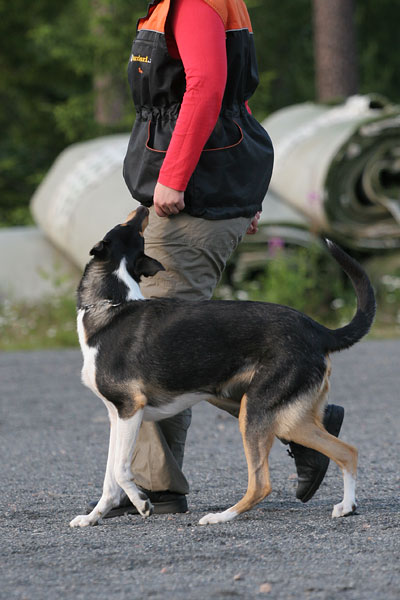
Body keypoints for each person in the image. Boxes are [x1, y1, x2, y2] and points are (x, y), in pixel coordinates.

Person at [91, 0, 344, 518]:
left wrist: (175, 177)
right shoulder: (181, 6)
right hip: (201, 189)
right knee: (173, 347)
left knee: (149, 348)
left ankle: (156, 486)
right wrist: (238, 190)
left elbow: (208, 88)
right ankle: (298, 424)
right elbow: (231, 103)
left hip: (191, 195)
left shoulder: (193, 4)